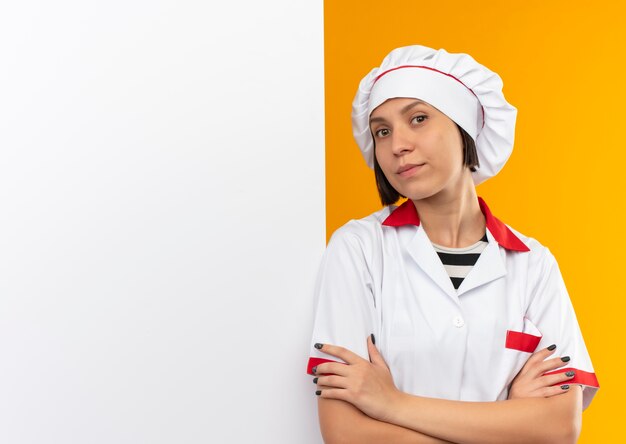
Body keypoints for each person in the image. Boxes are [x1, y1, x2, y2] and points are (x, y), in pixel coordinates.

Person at [306, 45, 599, 443]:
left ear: (465, 128)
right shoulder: (358, 249)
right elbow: (344, 431)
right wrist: (508, 420)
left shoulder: (534, 265)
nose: (398, 145)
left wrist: (390, 402)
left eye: (419, 118)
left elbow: (560, 427)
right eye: (382, 130)